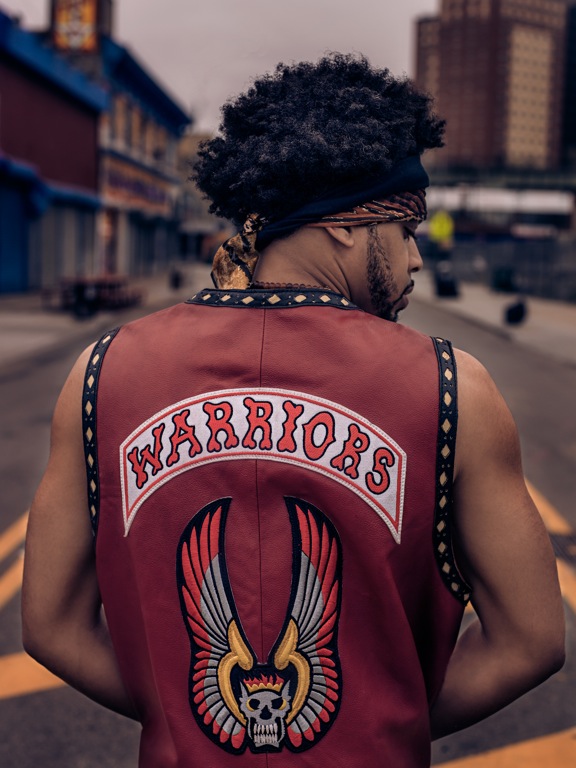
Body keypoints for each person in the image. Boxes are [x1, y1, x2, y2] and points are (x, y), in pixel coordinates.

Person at [22, 53, 564, 767]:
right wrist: (376, 720)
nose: (416, 260)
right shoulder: (454, 386)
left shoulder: (99, 372)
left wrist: (187, 718)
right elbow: (533, 639)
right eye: (405, 229)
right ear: (346, 225)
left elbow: (51, 625)